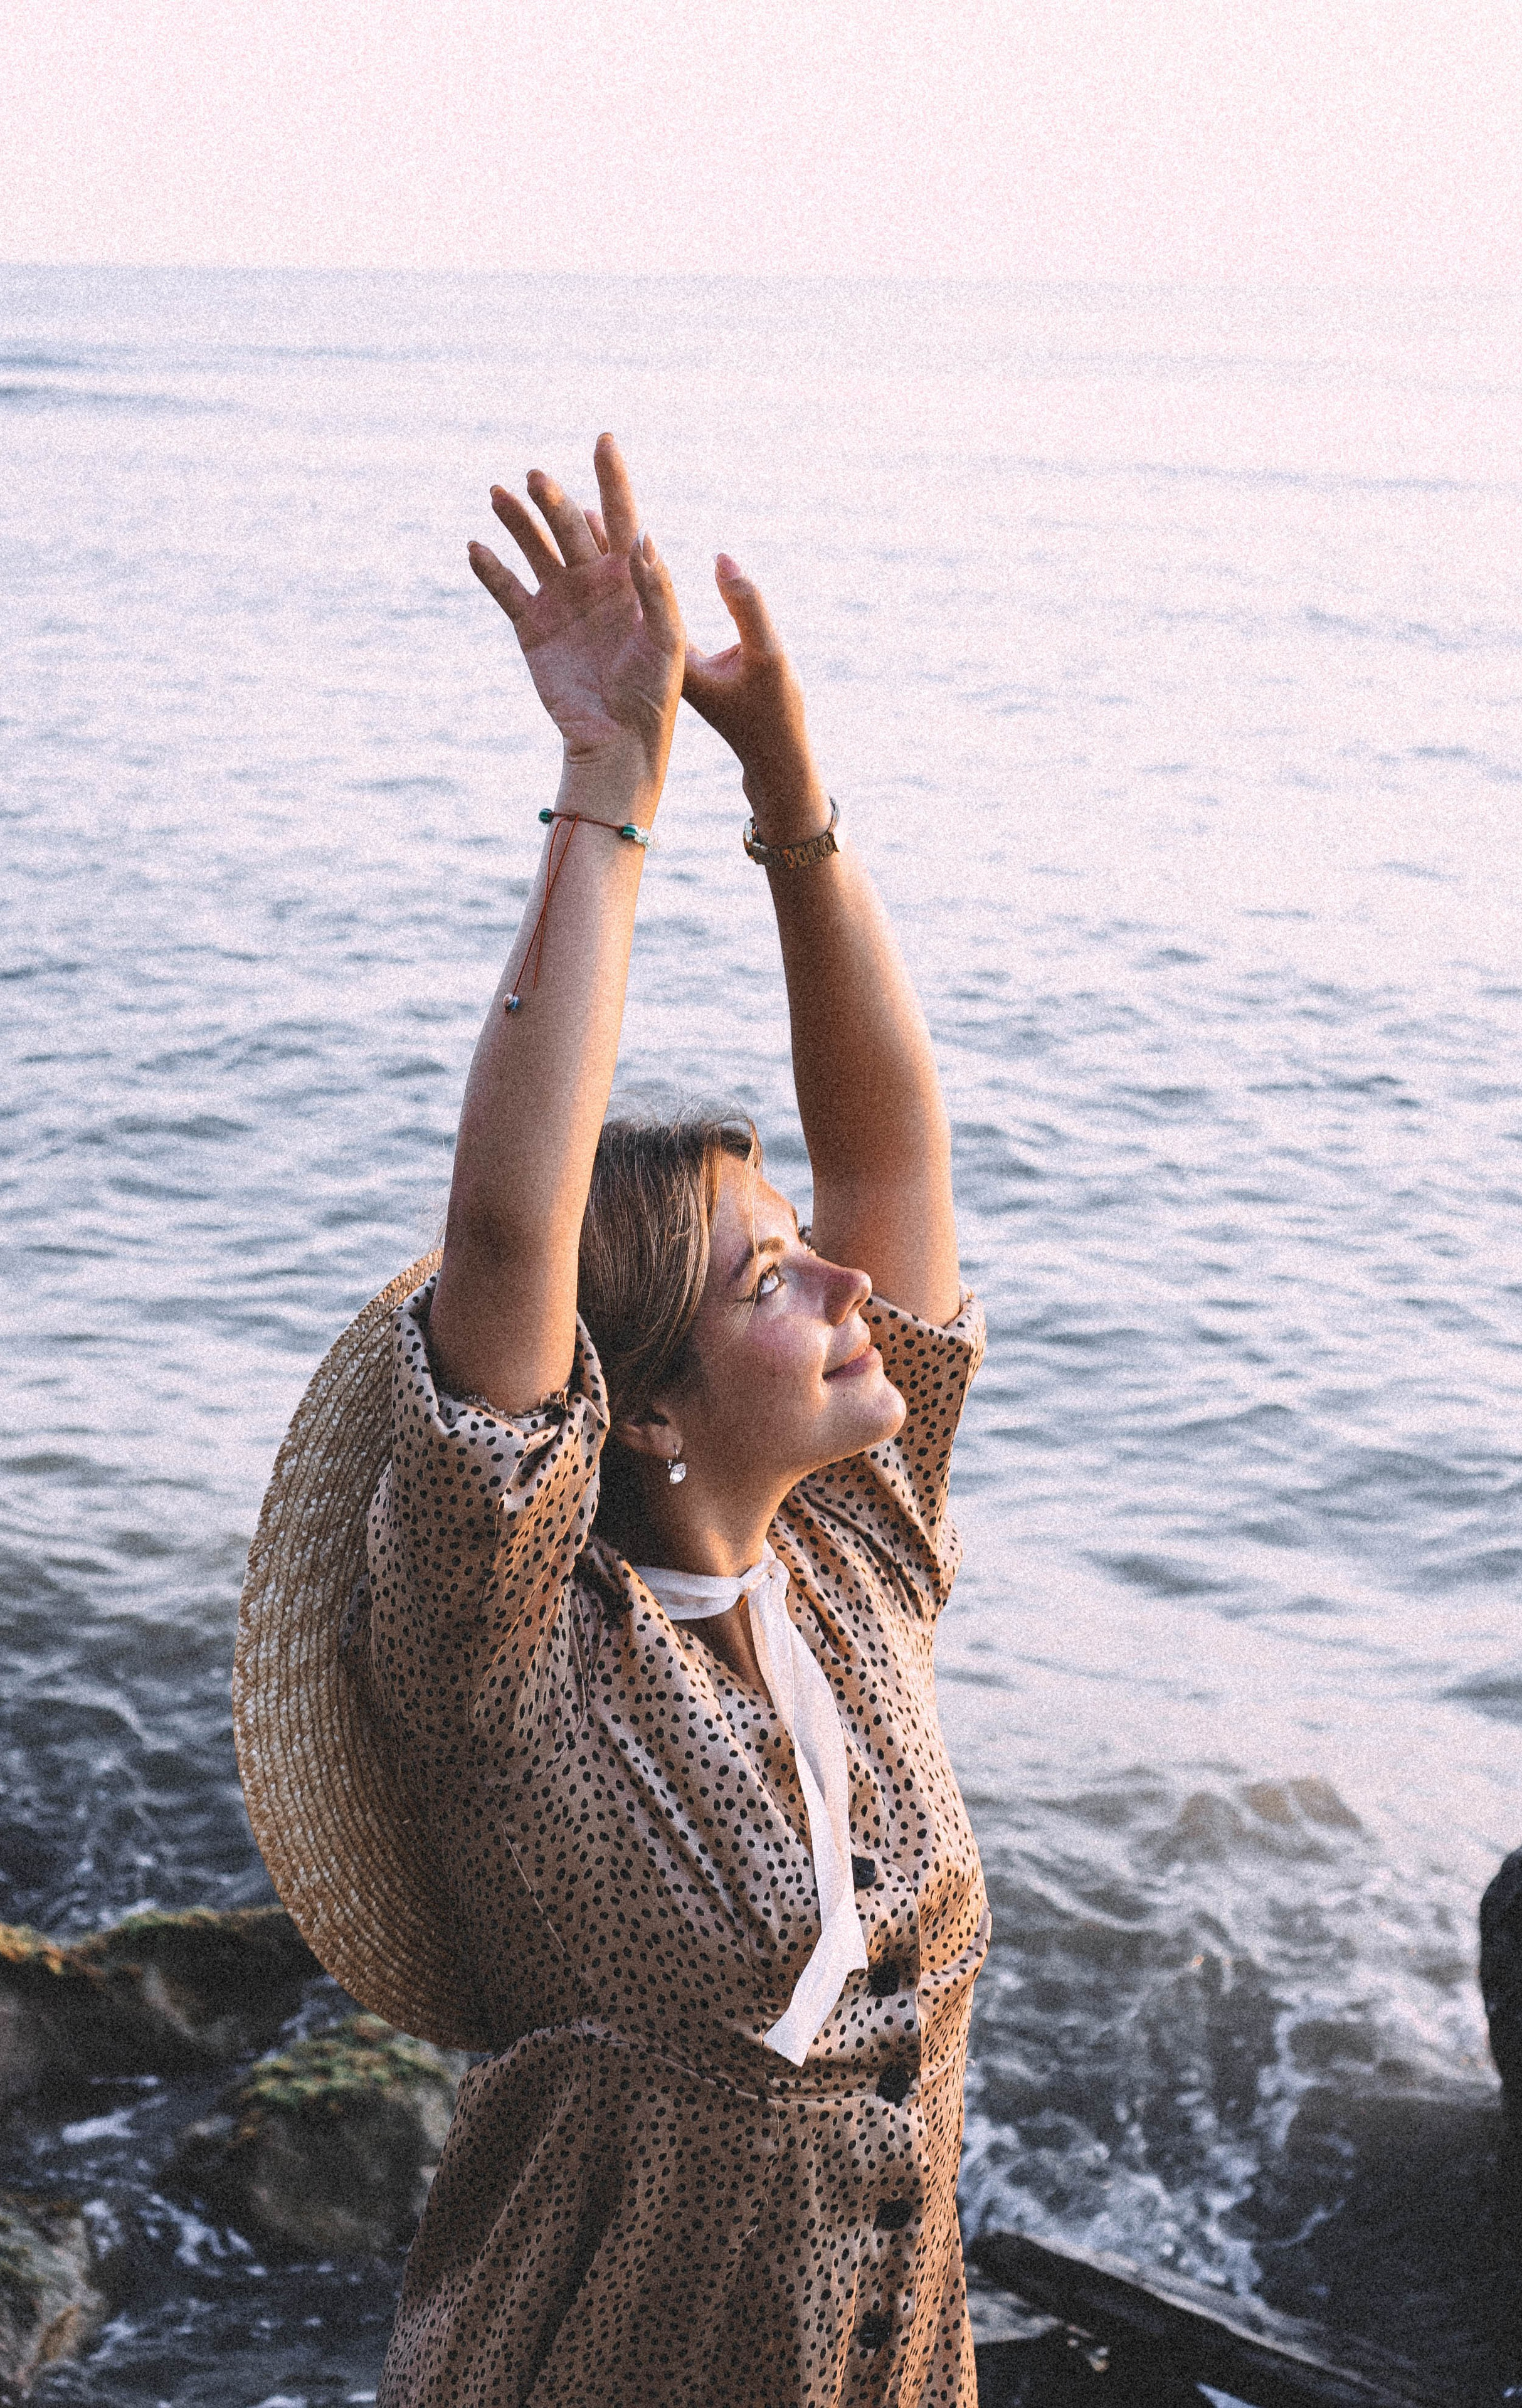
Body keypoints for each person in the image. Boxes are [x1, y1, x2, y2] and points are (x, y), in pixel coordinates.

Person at [235, 433, 989, 2407]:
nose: (844, 1288)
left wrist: (792, 795)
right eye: (771, 1277)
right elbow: (507, 1229)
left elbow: (893, 1147)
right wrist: (610, 782)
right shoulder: (512, 1654)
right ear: (633, 1402)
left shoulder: (855, 1559)